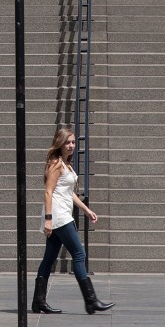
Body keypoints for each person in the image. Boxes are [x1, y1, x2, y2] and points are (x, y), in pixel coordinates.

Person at [32, 125, 115, 316]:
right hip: (58, 215)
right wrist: (48, 219)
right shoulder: (56, 164)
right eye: (67, 142)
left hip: (62, 213)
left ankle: (38, 302)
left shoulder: (66, 164)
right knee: (79, 254)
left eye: (73, 142)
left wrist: (86, 210)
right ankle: (91, 301)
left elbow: (69, 193)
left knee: (49, 258)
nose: (71, 146)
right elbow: (48, 192)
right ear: (60, 144)